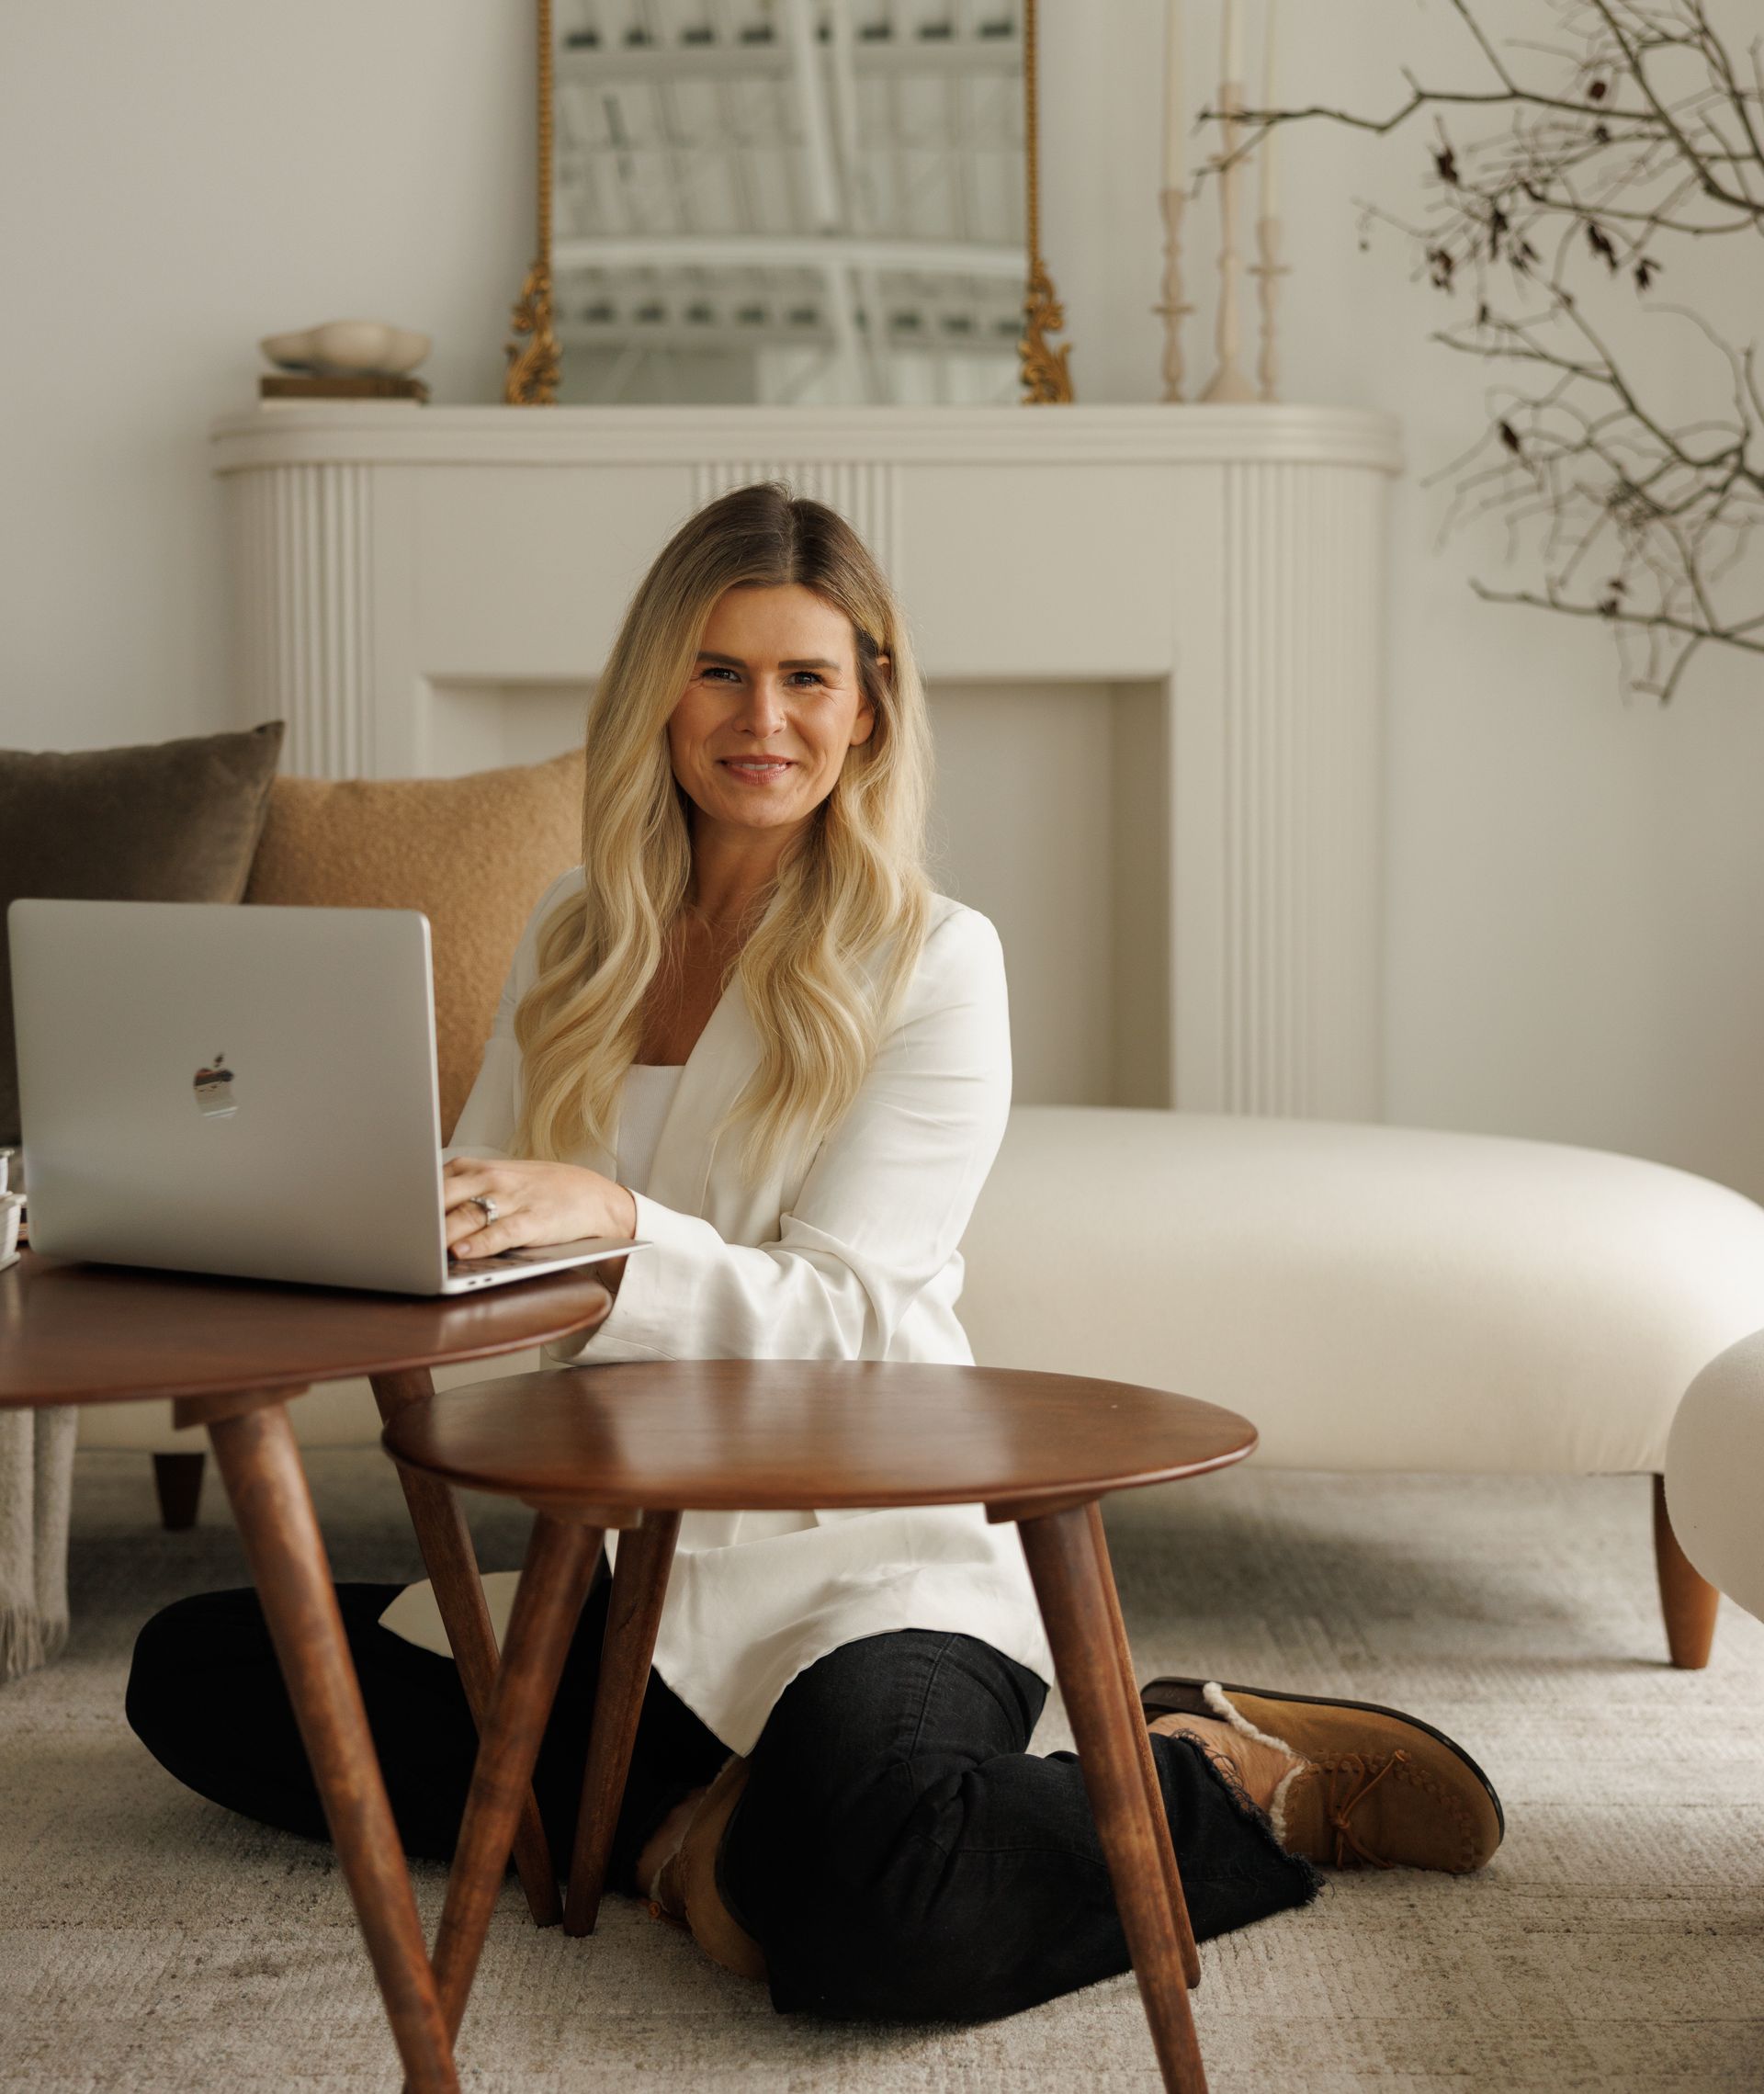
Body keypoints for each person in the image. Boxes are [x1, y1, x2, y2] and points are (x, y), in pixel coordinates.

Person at [128, 483, 1502, 2025]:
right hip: (623, 1569)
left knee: (891, 1911)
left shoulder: (934, 957)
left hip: (864, 1557)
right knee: (199, 1669)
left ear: (867, 712)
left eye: (805, 678)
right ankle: (688, 1838)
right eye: (718, 670)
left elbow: (847, 1318)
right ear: (659, 688)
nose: (758, 717)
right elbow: (499, 1249)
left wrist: (623, 1226)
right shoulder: (575, 934)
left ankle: (1209, 1774)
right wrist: (336, 1227)